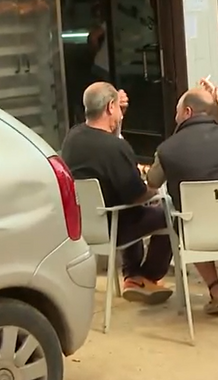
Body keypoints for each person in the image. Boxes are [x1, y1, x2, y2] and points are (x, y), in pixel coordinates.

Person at [145, 79, 218, 314]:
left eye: (177, 112)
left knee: (186, 218)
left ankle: (216, 292)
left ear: (187, 112)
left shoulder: (166, 149)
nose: (175, 117)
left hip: (197, 236)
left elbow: (152, 182)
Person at [61, 83, 173, 304]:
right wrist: (153, 189)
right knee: (167, 211)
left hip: (83, 225)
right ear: (111, 106)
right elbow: (136, 194)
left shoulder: (72, 139)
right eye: (119, 110)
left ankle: (133, 276)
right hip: (113, 225)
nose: (121, 115)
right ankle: (144, 275)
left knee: (128, 203)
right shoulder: (114, 148)